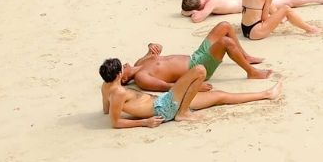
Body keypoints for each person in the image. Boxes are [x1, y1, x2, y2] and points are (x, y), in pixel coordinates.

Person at [99, 58, 281, 128]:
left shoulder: (106, 87)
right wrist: (144, 122)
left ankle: (266, 94)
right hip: (164, 107)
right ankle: (183, 113)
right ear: (118, 75)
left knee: (219, 96)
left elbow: (107, 111)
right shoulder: (119, 93)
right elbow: (115, 122)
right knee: (200, 70)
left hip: (164, 102)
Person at [123, 24, 272, 83]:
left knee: (225, 26)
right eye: (121, 68)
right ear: (123, 78)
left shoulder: (139, 63)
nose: (123, 64)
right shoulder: (141, 78)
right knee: (226, 42)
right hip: (198, 67)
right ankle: (251, 72)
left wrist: (153, 45)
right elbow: (165, 86)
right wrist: (194, 86)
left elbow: (156, 50)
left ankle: (244, 56)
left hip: (196, 56)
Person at [181, 0, 323, 23]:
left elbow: (197, 18)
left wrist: (188, 13)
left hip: (249, 2)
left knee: (287, 2)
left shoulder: (210, 4)